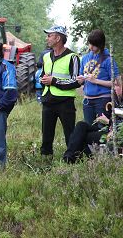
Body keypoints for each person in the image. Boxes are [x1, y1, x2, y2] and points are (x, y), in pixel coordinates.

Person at [63, 74, 123, 163]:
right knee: (81, 125)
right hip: (109, 128)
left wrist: (108, 121)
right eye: (114, 85)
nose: (114, 88)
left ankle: (72, 158)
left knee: (83, 136)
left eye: (117, 85)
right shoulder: (116, 99)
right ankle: (70, 156)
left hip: (116, 132)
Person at [39, 25, 81, 157]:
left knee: (70, 134)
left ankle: (72, 158)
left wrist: (54, 81)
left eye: (49, 35)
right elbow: (43, 74)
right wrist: (43, 79)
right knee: (46, 134)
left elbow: (76, 81)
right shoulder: (46, 56)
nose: (47, 38)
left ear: (58, 38)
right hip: (48, 100)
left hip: (65, 102)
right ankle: (45, 158)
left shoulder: (73, 57)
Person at [76, 30, 119, 124]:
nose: (90, 47)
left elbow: (117, 82)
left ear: (100, 44)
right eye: (89, 43)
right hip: (87, 100)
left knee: (102, 128)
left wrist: (96, 81)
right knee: (88, 127)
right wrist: (80, 80)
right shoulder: (85, 58)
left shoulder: (108, 60)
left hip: (103, 99)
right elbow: (81, 78)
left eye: (94, 44)